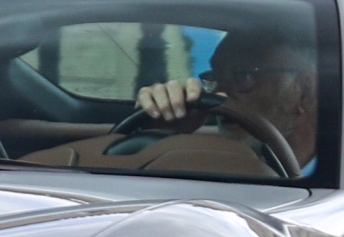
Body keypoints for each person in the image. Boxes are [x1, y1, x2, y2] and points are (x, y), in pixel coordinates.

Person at [132, 27, 317, 170]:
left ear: (305, 90)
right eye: (216, 77)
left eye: (243, 76)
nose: (219, 93)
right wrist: (159, 136)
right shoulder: (215, 166)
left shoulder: (341, 176)